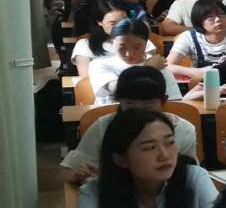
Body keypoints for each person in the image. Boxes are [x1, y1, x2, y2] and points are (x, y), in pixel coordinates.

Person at [57, 109, 217, 208]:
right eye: (149, 148)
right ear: (121, 159)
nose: (164, 155)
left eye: (170, 142)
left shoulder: (194, 177)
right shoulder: (95, 192)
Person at [62, 67, 199, 182]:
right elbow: (66, 171)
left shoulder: (183, 130)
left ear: (164, 101)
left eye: (148, 106)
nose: (138, 113)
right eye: (130, 105)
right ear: (119, 101)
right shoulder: (103, 127)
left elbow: (191, 175)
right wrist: (78, 175)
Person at [89, 18, 182, 104]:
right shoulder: (99, 64)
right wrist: (148, 68)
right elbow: (119, 90)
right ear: (112, 42)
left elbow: (174, 102)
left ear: (147, 43)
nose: (129, 54)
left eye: (136, 47)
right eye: (122, 47)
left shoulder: (159, 65)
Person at [72, 0, 146, 76]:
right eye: (113, 23)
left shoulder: (140, 41)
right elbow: (85, 78)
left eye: (124, 21)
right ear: (99, 22)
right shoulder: (84, 45)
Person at [166, 0, 226, 78]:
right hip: (200, 81)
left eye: (221, 14)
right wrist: (198, 72)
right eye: (211, 17)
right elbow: (168, 66)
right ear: (199, 21)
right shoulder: (188, 37)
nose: (218, 19)